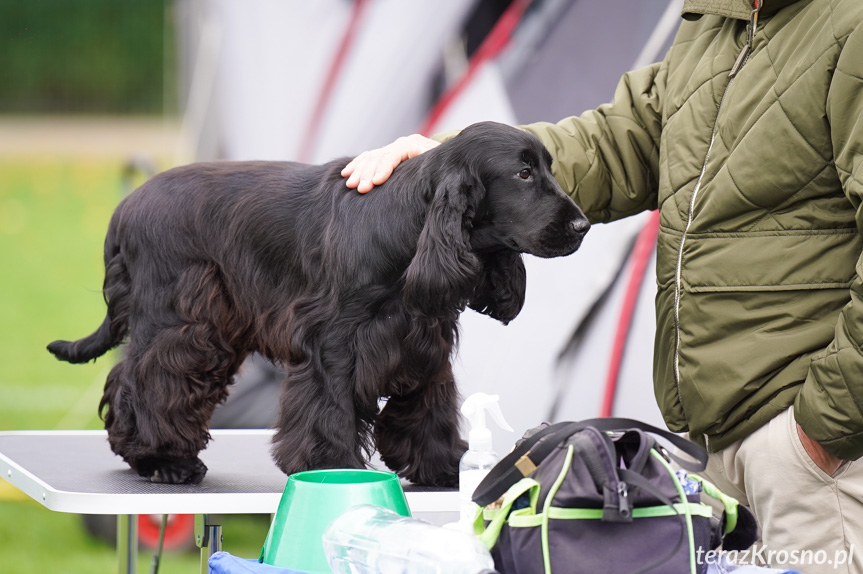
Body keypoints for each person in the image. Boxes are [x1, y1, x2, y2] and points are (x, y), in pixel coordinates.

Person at [341, 1, 863, 572]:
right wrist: (455, 158)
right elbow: (626, 140)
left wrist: (821, 431)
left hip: (808, 453)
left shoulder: (849, 25)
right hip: (715, 445)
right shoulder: (722, 20)